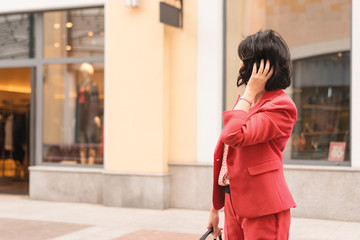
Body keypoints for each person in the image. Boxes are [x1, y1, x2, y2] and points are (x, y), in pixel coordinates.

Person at [207, 29, 297, 240]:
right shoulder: (249, 103)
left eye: (245, 60)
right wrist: (215, 207)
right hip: (233, 202)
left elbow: (232, 136)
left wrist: (248, 92)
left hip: (262, 207)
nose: (240, 66)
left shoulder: (281, 106)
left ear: (262, 67)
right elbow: (226, 159)